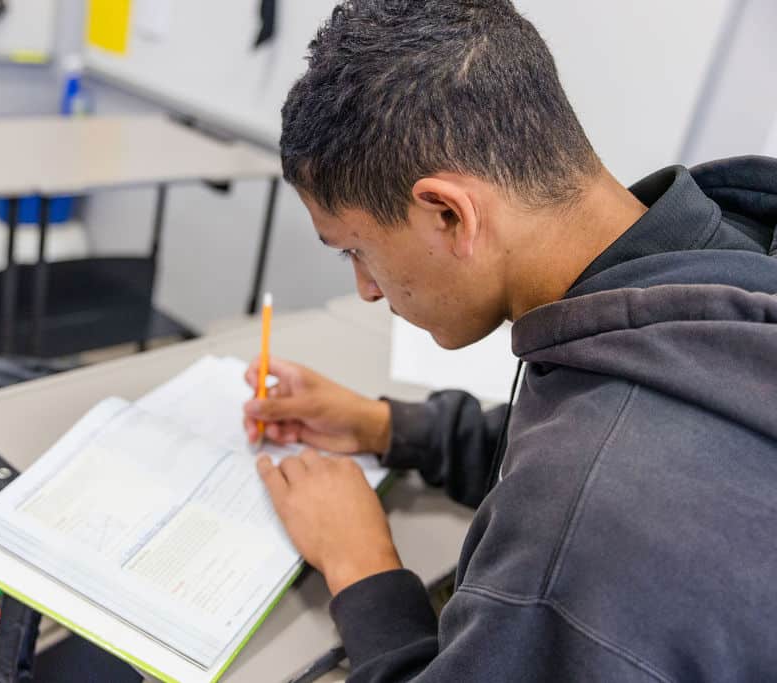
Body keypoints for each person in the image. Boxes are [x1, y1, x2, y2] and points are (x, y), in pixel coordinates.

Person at [241, 1, 777, 680]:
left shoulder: (585, 518)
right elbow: (583, 424)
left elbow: (589, 477)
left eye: (356, 250)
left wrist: (360, 562)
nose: (367, 291)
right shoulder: (717, 255)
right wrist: (388, 425)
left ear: (448, 213)